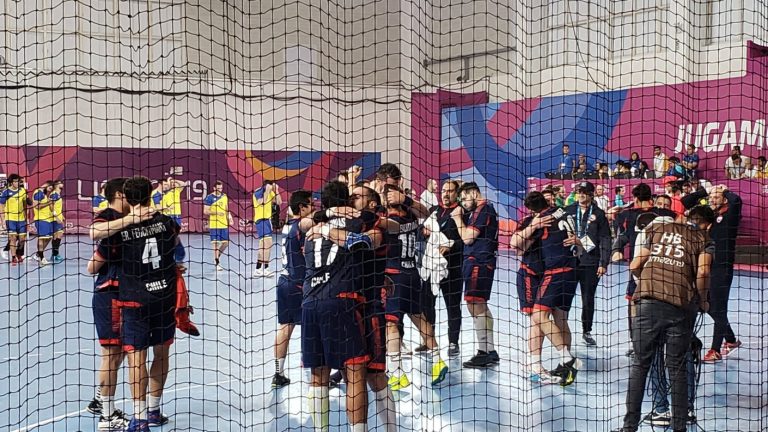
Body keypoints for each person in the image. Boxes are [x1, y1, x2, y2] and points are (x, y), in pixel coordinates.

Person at [612, 206, 714, 432]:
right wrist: (703, 300)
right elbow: (703, 273)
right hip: (680, 304)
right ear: (708, 224)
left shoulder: (658, 229)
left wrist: (647, 282)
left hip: (647, 302)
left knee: (640, 364)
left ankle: (629, 427)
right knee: (676, 366)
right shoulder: (703, 239)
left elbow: (635, 265)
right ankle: (680, 427)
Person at [300, 180, 381, 432]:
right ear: (347, 201)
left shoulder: (310, 226)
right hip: (342, 299)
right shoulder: (358, 221)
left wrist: (324, 221)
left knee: (318, 375)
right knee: (355, 372)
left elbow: (300, 223)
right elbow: (364, 242)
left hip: (310, 301)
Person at [105, 176, 182, 432]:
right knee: (162, 352)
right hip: (164, 297)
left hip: (134, 299)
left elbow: (97, 256)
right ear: (151, 194)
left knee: (136, 358)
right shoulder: (168, 223)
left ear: (126, 197)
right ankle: (154, 410)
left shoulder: (120, 229)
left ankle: (138, 420)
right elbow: (179, 253)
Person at [510, 191, 582, 385]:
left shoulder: (544, 218)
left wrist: (534, 226)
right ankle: (551, 366)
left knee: (540, 317)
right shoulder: (562, 213)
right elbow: (515, 245)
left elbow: (516, 245)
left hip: (554, 272)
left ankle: (565, 360)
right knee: (555, 319)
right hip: (541, 273)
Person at [382, 183, 448, 389]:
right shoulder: (411, 216)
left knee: (391, 324)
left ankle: (396, 374)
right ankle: (438, 359)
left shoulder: (387, 221)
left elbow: (383, 224)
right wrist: (406, 200)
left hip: (394, 277)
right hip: (412, 274)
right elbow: (426, 211)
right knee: (419, 318)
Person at [84, 177, 135, 430]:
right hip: (110, 294)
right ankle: (107, 416)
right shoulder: (108, 215)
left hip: (127, 293)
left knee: (122, 351)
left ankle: (98, 399)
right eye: (128, 192)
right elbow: (94, 233)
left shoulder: (132, 221)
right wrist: (130, 220)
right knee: (112, 353)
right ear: (118, 194)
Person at [612, 183, 677, 356]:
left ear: (635, 198)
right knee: (663, 304)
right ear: (652, 198)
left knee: (634, 305)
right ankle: (662, 343)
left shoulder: (627, 215)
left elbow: (621, 235)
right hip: (665, 266)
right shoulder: (668, 214)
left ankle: (637, 345)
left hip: (638, 268)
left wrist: (616, 250)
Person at [682, 184, 742, 363]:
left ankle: (715, 351)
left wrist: (725, 190)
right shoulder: (708, 214)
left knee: (718, 307)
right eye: (711, 197)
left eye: (716, 197)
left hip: (721, 269)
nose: (712, 200)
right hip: (702, 265)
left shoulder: (730, 216)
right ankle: (730, 339)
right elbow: (686, 202)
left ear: (724, 200)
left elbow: (737, 201)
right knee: (704, 305)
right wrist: (704, 191)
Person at [451, 182, 500, 368]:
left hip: (479, 262)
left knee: (475, 304)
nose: (463, 203)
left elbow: (468, 237)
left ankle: (483, 352)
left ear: (474, 192)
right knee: (480, 305)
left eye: (464, 198)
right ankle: (491, 350)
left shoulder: (483, 209)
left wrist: (457, 219)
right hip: (480, 262)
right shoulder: (483, 209)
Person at [272, 190, 314, 389]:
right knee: (309, 327)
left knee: (285, 327)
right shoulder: (300, 226)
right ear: (301, 208)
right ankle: (311, 372)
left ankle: (278, 373)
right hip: (299, 283)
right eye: (310, 204)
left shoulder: (287, 226)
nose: (313, 208)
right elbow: (310, 222)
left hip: (283, 281)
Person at [564, 182, 611, 346]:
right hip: (568, 260)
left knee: (588, 298)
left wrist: (604, 263)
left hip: (590, 262)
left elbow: (604, 240)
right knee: (564, 297)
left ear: (591, 194)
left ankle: (586, 331)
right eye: (579, 191)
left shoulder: (599, 214)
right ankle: (562, 329)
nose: (581, 194)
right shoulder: (568, 210)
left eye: (584, 192)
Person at [425, 180, 464, 357]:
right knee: (428, 305)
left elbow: (466, 240)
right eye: (443, 191)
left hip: (453, 268)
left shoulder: (461, 213)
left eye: (449, 191)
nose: (446, 194)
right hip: (432, 267)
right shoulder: (434, 212)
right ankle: (428, 341)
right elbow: (421, 231)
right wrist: (423, 231)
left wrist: (452, 246)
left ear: (457, 193)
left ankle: (453, 343)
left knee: (452, 307)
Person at [252, 180, 282, 277]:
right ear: (266, 185)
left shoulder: (270, 192)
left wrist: (276, 190)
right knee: (268, 244)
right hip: (261, 220)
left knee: (263, 246)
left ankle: (258, 269)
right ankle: (266, 269)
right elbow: (262, 203)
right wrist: (267, 191)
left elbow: (279, 202)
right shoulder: (258, 192)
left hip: (267, 220)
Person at [203, 180, 234, 272]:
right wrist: (216, 212)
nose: (220, 190)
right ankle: (217, 263)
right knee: (216, 244)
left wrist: (230, 217)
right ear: (214, 188)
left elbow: (226, 209)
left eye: (221, 188)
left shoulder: (224, 197)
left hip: (223, 224)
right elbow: (205, 211)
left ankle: (217, 257)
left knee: (226, 243)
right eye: (218, 188)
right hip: (214, 224)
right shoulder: (209, 198)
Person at [0, 174, 28, 265]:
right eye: (15, 181)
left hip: (21, 219)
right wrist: (3, 219)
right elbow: (2, 206)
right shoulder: (6, 192)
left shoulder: (23, 191)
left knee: (22, 239)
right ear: (11, 183)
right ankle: (13, 257)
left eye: (18, 181)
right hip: (10, 218)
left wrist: (26, 216)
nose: (17, 183)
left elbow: (25, 204)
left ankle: (19, 253)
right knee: (12, 238)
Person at [32, 181, 55, 266]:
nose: (50, 190)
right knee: (41, 238)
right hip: (41, 219)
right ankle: (41, 258)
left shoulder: (44, 194)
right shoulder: (38, 192)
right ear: (46, 185)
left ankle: (38, 254)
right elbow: (37, 206)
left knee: (49, 238)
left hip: (47, 219)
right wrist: (49, 202)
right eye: (49, 188)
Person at [48, 180, 65, 264]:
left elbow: (57, 207)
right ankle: (55, 254)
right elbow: (51, 206)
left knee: (58, 235)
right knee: (57, 235)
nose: (62, 184)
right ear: (56, 185)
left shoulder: (58, 194)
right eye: (60, 183)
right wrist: (56, 216)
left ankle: (54, 254)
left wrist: (62, 216)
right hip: (54, 219)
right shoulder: (54, 194)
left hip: (59, 217)